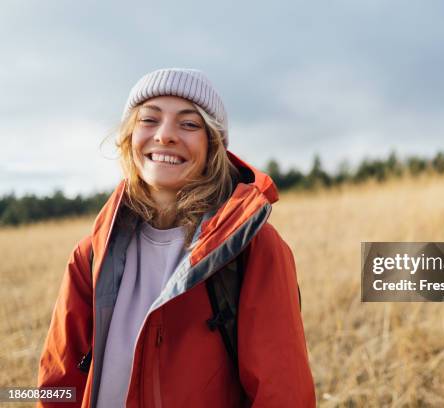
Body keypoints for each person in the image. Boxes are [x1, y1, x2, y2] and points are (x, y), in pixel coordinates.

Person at [37, 68, 316, 407]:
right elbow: (59, 384)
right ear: (128, 137)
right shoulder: (91, 255)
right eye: (149, 120)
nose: (165, 136)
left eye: (188, 124)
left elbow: (283, 394)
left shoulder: (254, 249)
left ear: (213, 145)